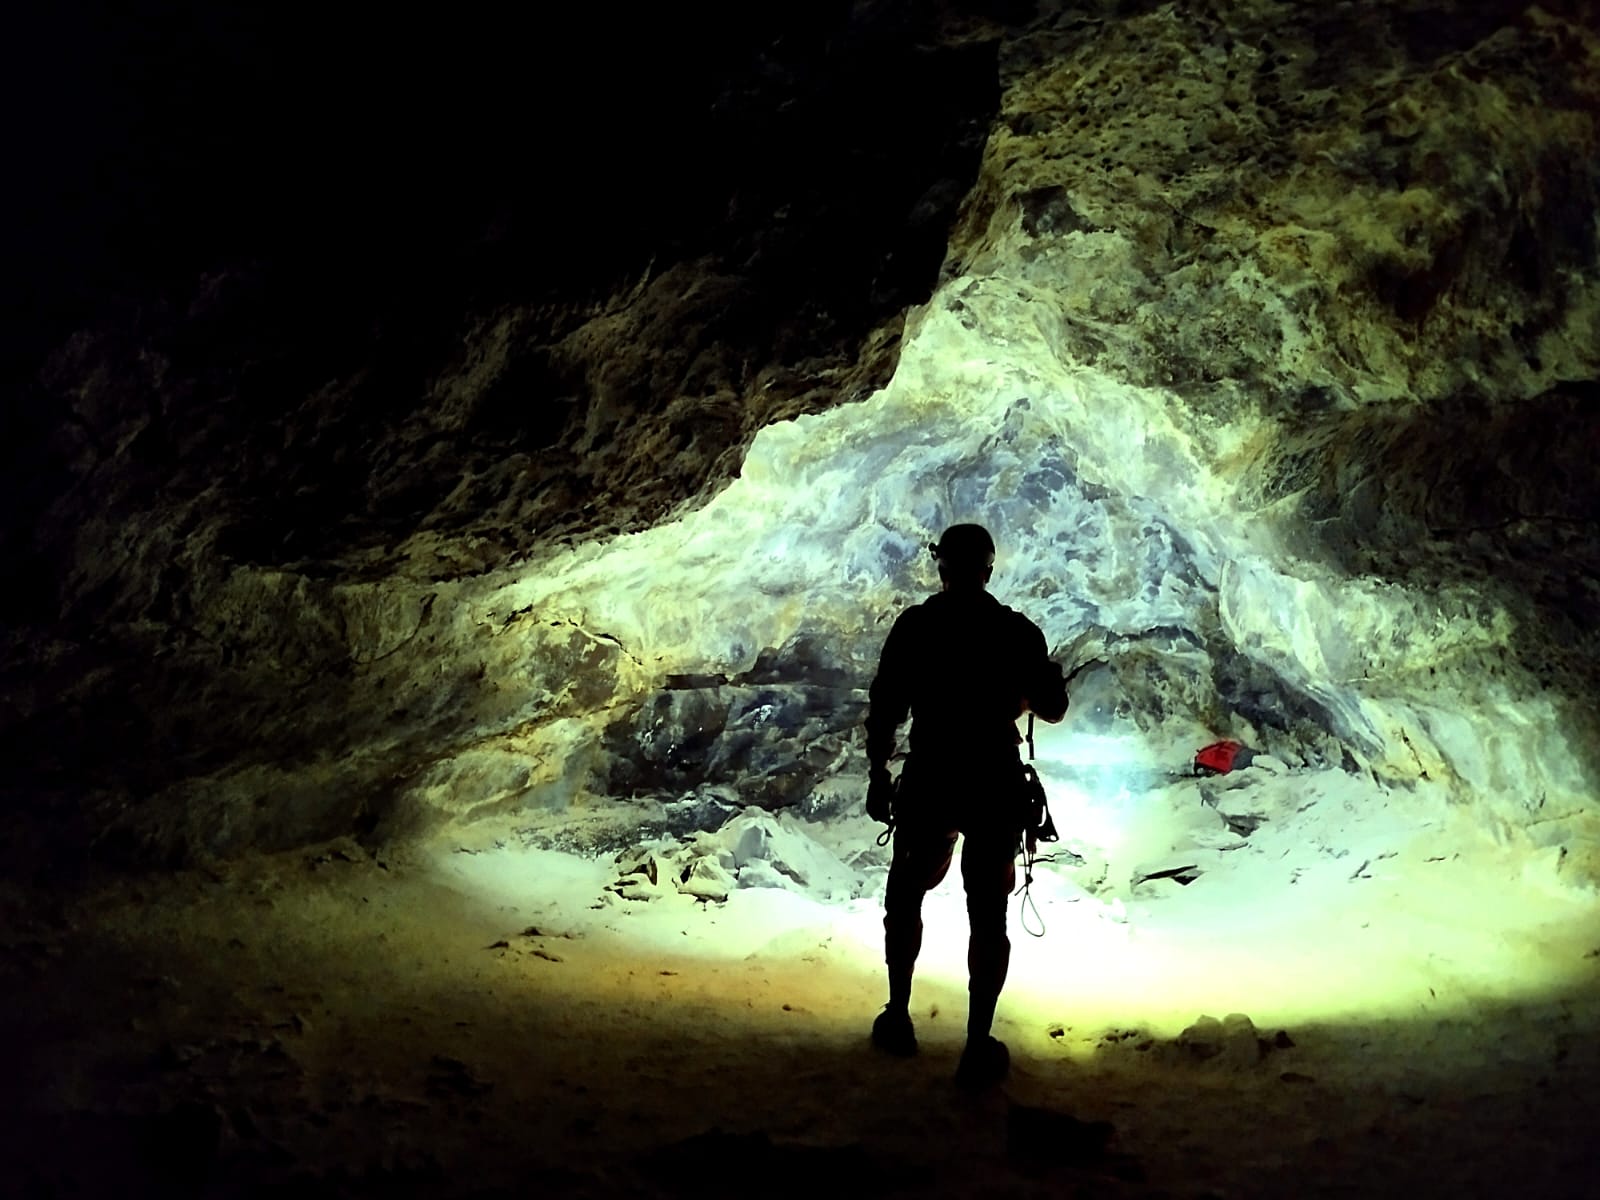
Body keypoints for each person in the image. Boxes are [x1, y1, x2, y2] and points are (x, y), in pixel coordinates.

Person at [864, 523, 1068, 1088]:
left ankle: (899, 1015)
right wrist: (1033, 683)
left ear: (942, 567)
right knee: (988, 908)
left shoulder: (917, 627)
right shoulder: (1015, 631)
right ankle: (977, 1043)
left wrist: (879, 771)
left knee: (906, 893)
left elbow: (887, 705)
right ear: (989, 569)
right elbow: (1053, 708)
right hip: (991, 776)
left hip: (932, 771)